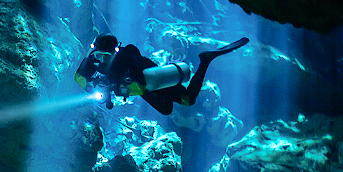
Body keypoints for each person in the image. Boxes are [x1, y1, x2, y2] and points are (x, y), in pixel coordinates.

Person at [74, 34, 250, 115]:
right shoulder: (92, 61)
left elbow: (139, 82)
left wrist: (116, 89)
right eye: (98, 56)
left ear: (114, 52)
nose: (101, 61)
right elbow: (79, 78)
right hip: (143, 88)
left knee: (188, 100)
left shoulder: (126, 56)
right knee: (168, 108)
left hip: (152, 80)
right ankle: (204, 61)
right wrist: (93, 88)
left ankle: (205, 60)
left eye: (106, 57)